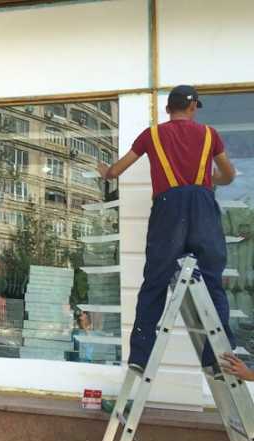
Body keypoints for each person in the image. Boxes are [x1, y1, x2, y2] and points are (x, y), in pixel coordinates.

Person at [98, 85, 237, 373]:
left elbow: (117, 170)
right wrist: (209, 178)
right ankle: (218, 359)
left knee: (155, 281)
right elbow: (229, 175)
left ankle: (140, 357)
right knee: (212, 281)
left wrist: (106, 172)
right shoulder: (210, 134)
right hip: (202, 207)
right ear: (193, 107)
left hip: (168, 209)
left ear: (167, 109)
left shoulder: (151, 135)